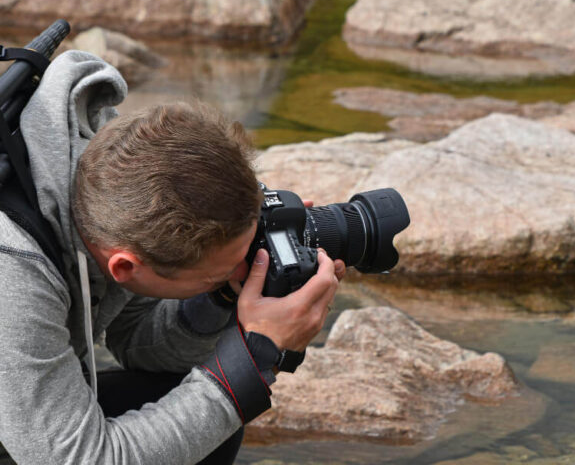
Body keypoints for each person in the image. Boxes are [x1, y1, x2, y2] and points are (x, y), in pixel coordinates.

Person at [0, 50, 344, 464]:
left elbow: (137, 345)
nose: (242, 270)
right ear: (124, 266)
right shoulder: (13, 277)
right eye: (218, 275)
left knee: (194, 421)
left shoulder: (114, 182)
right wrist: (255, 354)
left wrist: (222, 298)